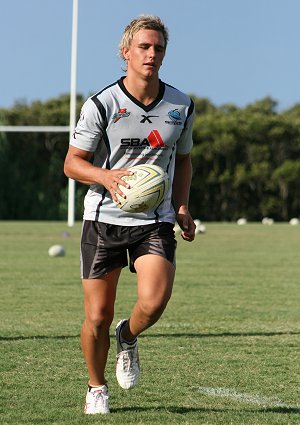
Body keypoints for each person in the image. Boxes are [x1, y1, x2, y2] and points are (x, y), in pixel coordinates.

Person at [64, 14, 196, 415]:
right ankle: (96, 386)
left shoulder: (181, 105)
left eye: (158, 48)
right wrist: (105, 175)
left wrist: (182, 205)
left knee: (153, 303)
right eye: (144, 46)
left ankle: (130, 334)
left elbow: (184, 160)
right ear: (126, 52)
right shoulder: (102, 104)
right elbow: (72, 163)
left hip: (154, 221)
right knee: (97, 317)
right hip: (104, 218)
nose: (152, 54)